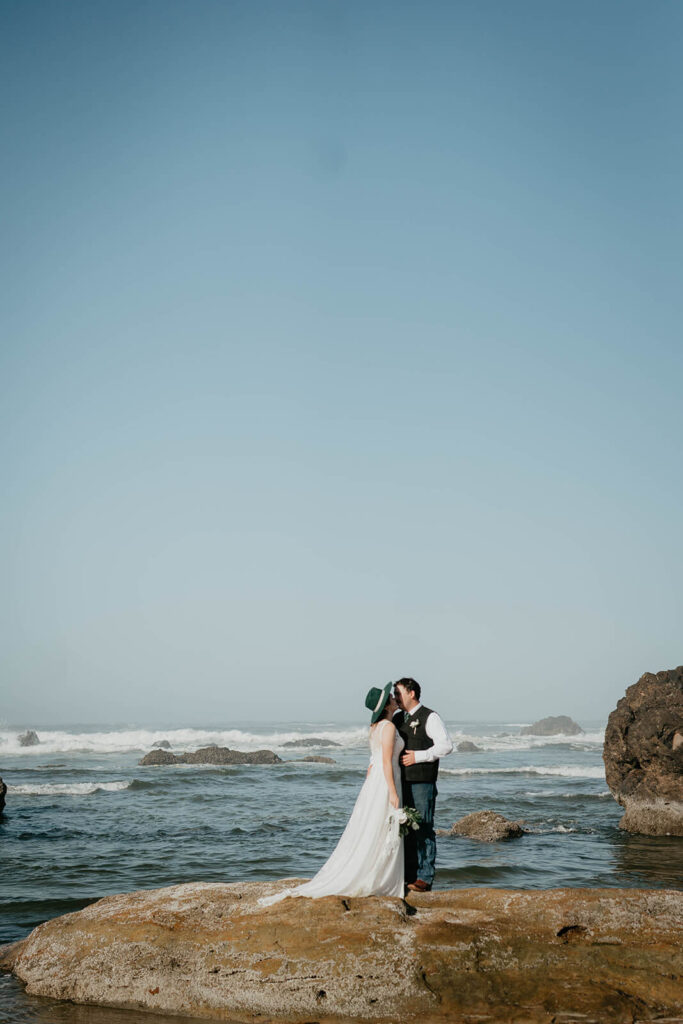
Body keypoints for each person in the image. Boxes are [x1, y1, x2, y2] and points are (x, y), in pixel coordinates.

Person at [258, 683, 405, 905]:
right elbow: (385, 761)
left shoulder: (375, 728)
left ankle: (373, 869)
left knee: (372, 826)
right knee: (379, 825)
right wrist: (393, 792)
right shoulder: (389, 727)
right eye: (391, 698)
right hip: (386, 781)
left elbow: (373, 761)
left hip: (376, 781)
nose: (395, 699)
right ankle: (377, 875)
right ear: (386, 705)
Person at [394, 677, 453, 892]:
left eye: (398, 693)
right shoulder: (398, 718)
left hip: (422, 783)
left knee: (423, 828)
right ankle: (408, 874)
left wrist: (418, 756)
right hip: (401, 782)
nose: (395, 697)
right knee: (405, 830)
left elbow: (446, 746)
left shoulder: (430, 717)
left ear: (412, 693)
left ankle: (424, 877)